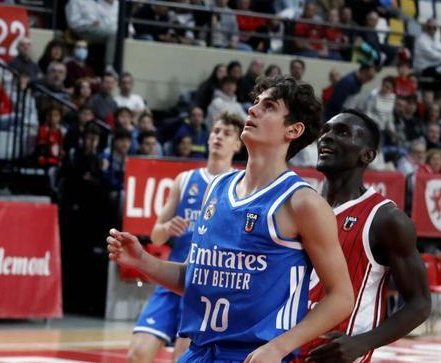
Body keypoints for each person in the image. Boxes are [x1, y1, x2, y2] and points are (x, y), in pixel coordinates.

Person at [108, 76, 353, 363]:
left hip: (253, 356)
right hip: (199, 352)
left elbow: (341, 297)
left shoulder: (303, 202)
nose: (253, 110)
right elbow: (197, 279)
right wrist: (143, 262)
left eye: (269, 106)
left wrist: (279, 347)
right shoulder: (217, 188)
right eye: (255, 103)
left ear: (293, 130)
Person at [300, 110, 431, 362]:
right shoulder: (299, 205)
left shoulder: (386, 219)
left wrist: (363, 343)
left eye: (342, 132)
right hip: (282, 348)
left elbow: (420, 303)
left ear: (367, 155)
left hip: (334, 355)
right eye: (325, 130)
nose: (326, 137)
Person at [128, 112, 243, 363]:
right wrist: (167, 227)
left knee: (183, 357)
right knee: (137, 353)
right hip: (173, 277)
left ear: (237, 144)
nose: (218, 137)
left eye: (227, 133)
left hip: (205, 287)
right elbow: (156, 237)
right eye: (216, 131)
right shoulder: (186, 179)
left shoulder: (239, 185)